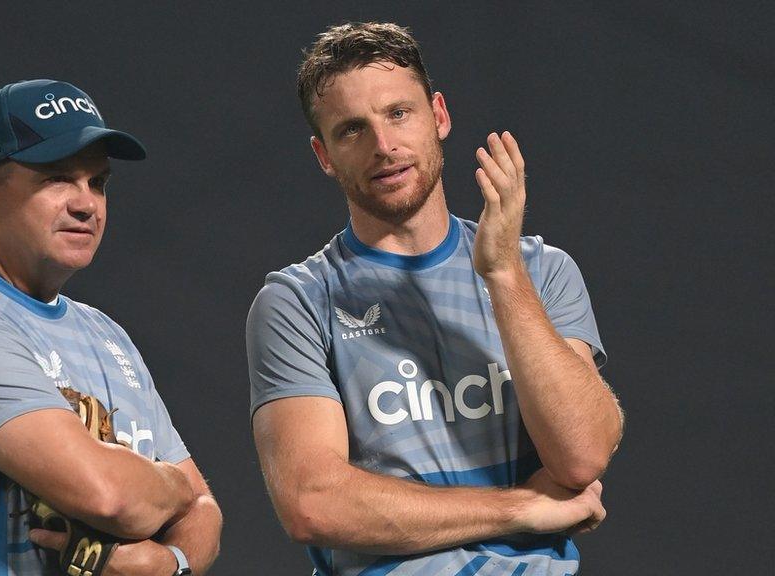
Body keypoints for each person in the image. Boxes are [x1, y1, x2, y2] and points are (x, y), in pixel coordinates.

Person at [247, 23, 623, 575]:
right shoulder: (297, 302)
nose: (384, 146)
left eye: (399, 113)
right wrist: (521, 508)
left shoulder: (541, 271)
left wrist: (502, 274)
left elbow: (582, 454)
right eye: (353, 130)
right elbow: (313, 503)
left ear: (439, 116)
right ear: (323, 155)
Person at [0, 79, 221, 576]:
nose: (87, 204)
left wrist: (171, 564)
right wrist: (172, 484)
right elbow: (106, 496)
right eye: (56, 178)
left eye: (98, 182)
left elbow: (207, 512)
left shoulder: (108, 335)